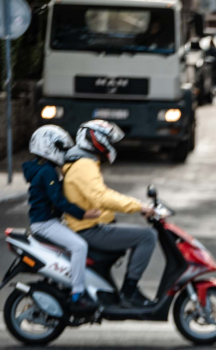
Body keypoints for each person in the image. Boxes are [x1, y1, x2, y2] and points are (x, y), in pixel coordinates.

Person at [61, 120, 156, 308]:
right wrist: (139, 206)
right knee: (147, 236)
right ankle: (130, 291)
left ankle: (115, 293)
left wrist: (134, 208)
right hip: (88, 229)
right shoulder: (84, 165)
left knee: (133, 232)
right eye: (109, 141)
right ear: (96, 140)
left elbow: (96, 198)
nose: (111, 145)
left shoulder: (83, 163)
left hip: (87, 226)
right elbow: (101, 197)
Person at [24, 125, 102, 313]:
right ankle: (77, 294)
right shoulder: (48, 171)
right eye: (62, 148)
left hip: (44, 221)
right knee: (79, 246)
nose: (65, 153)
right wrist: (83, 214)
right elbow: (58, 200)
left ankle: (69, 284)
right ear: (49, 146)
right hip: (45, 223)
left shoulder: (41, 168)